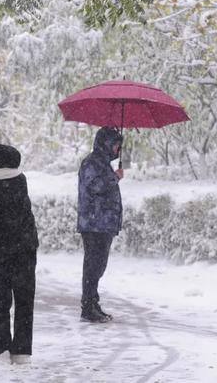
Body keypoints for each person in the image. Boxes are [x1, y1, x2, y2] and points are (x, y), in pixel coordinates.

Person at [0, 143, 38, 365]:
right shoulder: (21, 179)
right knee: (24, 299)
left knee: (1, 301)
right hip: (27, 249)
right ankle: (21, 352)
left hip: (4, 251)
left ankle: (2, 348)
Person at [77, 126, 124, 323]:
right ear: (105, 144)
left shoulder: (102, 163)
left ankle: (93, 303)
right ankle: (87, 307)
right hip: (94, 224)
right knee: (93, 265)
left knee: (98, 265)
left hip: (102, 224)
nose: (117, 149)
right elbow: (96, 186)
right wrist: (115, 177)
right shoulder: (92, 162)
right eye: (115, 145)